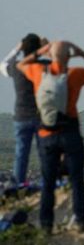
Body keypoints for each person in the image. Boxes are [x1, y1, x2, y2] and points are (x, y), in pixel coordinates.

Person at [17, 40, 84, 234]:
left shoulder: (39, 72)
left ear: (50, 56)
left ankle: (46, 224)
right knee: (76, 179)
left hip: (46, 135)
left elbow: (19, 65)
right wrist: (82, 52)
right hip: (70, 133)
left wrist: (41, 51)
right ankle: (81, 220)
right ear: (68, 56)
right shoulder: (74, 74)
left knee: (48, 182)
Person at [0, 33, 46, 187]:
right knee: (44, 153)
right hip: (41, 116)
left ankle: (18, 185)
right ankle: (47, 183)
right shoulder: (43, 67)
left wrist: (17, 48)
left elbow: (3, 65)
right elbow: (60, 63)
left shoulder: (16, 67)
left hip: (21, 116)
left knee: (21, 154)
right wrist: (47, 47)